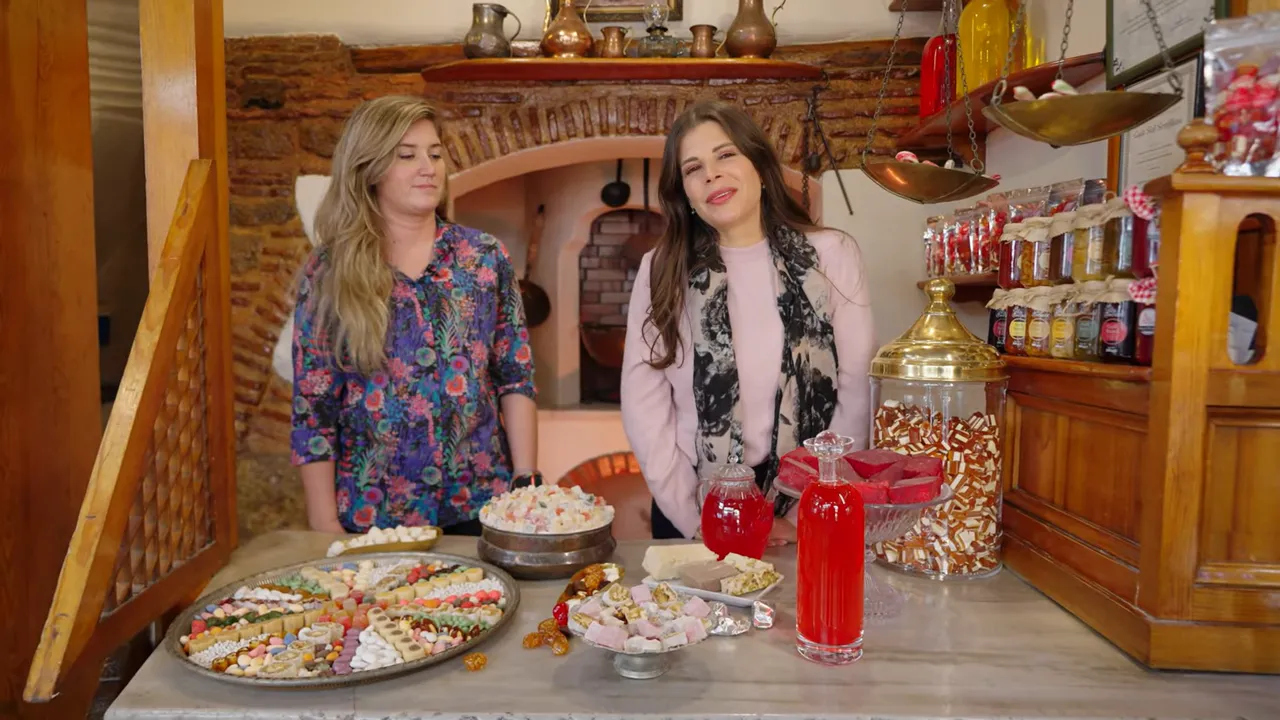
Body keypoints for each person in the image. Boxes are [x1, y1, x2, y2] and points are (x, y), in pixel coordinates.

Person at [620, 100, 876, 542]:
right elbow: (644, 405)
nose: (711, 175)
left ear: (759, 164)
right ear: (685, 192)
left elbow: (857, 392)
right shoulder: (661, 267)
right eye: (692, 168)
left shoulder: (831, 255)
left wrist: (799, 520)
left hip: (809, 511)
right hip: (692, 512)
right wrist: (698, 521)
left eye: (726, 155)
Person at [291, 95, 540, 536]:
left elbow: (515, 375)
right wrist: (324, 523)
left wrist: (525, 482)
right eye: (407, 155)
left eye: (436, 154)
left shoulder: (483, 257)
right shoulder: (329, 271)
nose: (429, 166)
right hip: (373, 518)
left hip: (482, 507)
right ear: (369, 169)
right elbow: (314, 409)